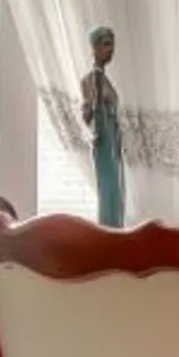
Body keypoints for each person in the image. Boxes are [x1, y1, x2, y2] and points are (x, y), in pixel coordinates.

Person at [79, 26, 125, 229]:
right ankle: (107, 233)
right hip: (103, 143)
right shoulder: (90, 80)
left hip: (113, 142)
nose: (111, 49)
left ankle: (114, 232)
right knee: (108, 192)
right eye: (106, 44)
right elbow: (87, 116)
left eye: (112, 45)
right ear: (95, 48)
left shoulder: (105, 79)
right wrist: (96, 101)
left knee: (117, 192)